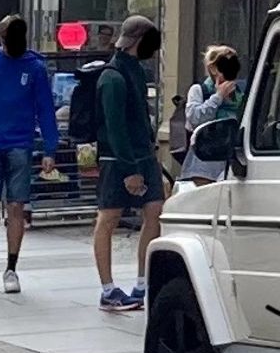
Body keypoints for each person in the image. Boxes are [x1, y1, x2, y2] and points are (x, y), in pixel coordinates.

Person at [94, 15, 165, 313]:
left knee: (156, 212)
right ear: (138, 41)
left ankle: (141, 283)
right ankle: (108, 290)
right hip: (119, 159)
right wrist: (130, 168)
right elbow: (115, 128)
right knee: (108, 219)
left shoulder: (134, 70)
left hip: (143, 156)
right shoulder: (113, 77)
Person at [0, 16, 60, 294]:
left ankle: (11, 266)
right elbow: (46, 109)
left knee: (15, 206)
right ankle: (3, 262)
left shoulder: (34, 68)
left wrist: (50, 147)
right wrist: (49, 148)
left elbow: (45, 108)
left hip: (19, 142)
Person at [179, 46, 245, 186]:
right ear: (214, 68)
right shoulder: (199, 90)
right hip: (205, 159)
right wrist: (218, 96)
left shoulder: (242, 94)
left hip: (233, 156)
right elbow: (194, 118)